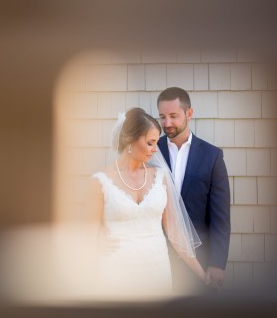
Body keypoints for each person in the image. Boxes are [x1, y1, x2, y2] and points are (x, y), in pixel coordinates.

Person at [86, 107, 205, 298]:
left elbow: (176, 232)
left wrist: (202, 274)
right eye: (150, 143)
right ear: (129, 140)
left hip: (156, 271)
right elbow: (86, 237)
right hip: (114, 272)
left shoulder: (161, 177)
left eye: (156, 142)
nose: (155, 149)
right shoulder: (100, 182)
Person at [157, 87, 231, 291]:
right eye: (162, 116)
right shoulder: (152, 151)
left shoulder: (212, 156)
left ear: (189, 113)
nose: (167, 123)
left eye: (173, 116)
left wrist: (217, 263)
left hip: (199, 261)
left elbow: (220, 216)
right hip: (158, 258)